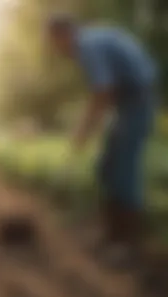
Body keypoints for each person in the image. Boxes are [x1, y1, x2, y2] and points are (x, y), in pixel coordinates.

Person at [47, 13, 157, 268]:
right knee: (105, 167)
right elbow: (107, 94)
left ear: (64, 34)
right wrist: (93, 128)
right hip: (126, 102)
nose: (56, 50)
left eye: (54, 43)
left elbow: (103, 92)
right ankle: (111, 235)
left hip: (137, 102)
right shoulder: (91, 40)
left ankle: (128, 246)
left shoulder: (86, 47)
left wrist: (83, 132)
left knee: (123, 172)